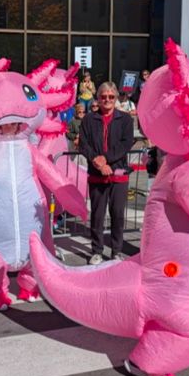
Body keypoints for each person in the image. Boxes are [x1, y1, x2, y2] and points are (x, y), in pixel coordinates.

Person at [77, 81, 135, 265]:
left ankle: (116, 251)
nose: (107, 100)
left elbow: (126, 144)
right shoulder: (88, 119)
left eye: (111, 96)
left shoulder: (125, 119)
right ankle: (97, 251)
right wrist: (97, 161)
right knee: (97, 215)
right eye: (103, 96)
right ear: (98, 98)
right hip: (97, 174)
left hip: (118, 175)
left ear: (116, 97)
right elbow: (83, 144)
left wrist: (106, 159)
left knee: (117, 214)